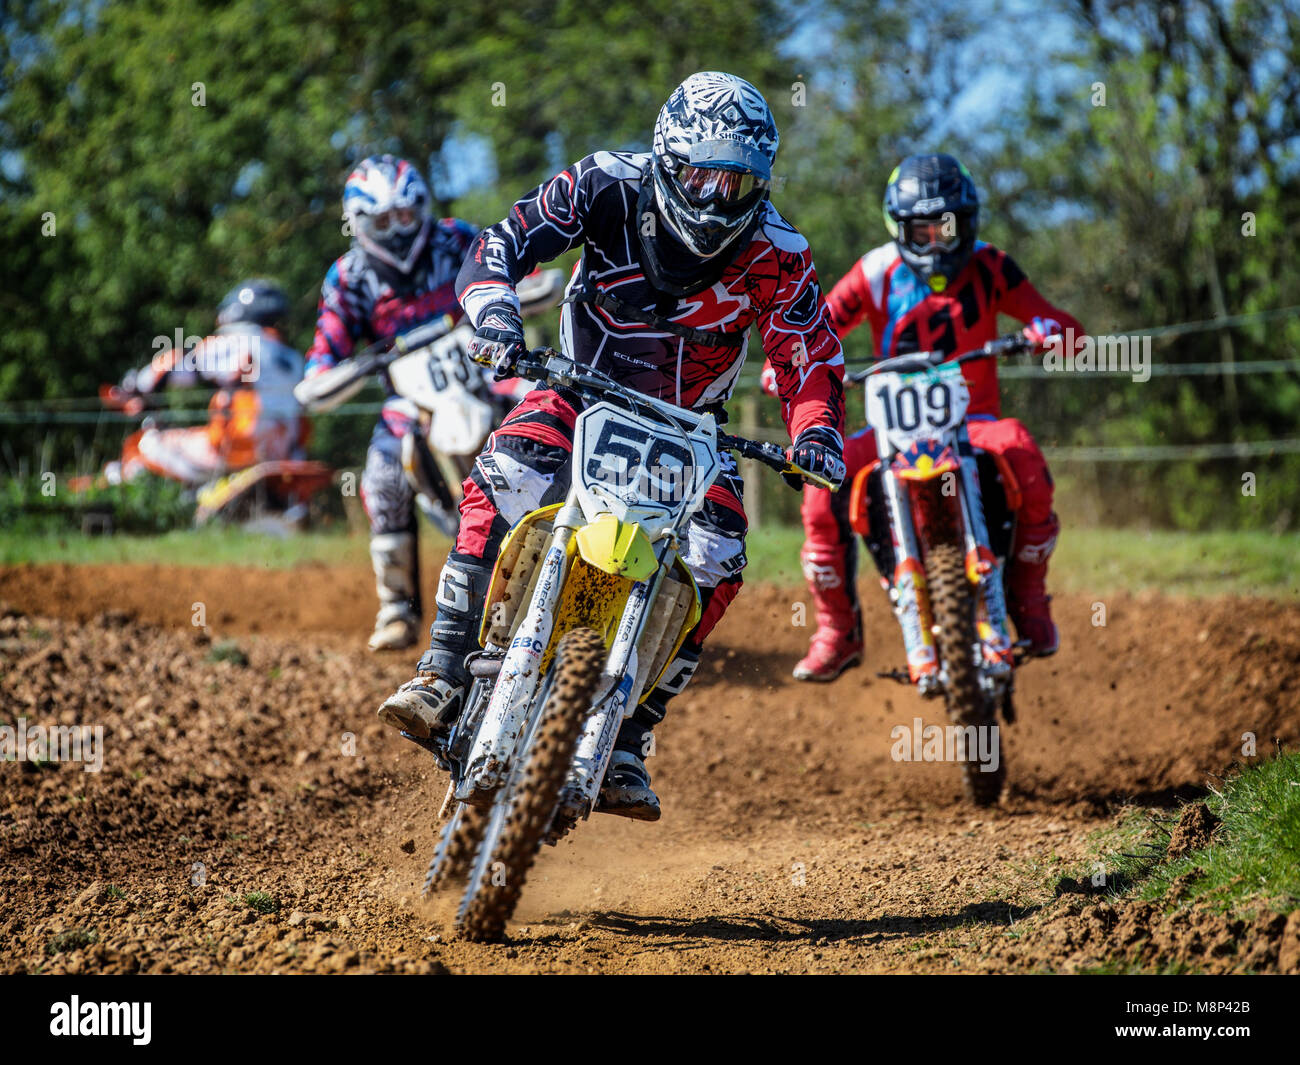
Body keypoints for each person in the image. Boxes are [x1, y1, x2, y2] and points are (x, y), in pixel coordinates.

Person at [377, 71, 847, 820]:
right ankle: (440, 668)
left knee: (720, 553)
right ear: (667, 156)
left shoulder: (777, 251)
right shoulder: (602, 185)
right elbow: (501, 243)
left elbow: (807, 354)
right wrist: (495, 315)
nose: (717, 199)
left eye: (738, 184)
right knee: (502, 478)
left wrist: (817, 433)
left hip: (691, 429)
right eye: (702, 175)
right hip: (575, 387)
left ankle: (630, 735)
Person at [765, 153, 1082, 681]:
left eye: (947, 226)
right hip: (892, 431)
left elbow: (1058, 321)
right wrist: (789, 364)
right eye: (921, 230)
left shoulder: (991, 265)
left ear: (968, 222)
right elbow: (816, 331)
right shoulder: (874, 271)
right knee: (820, 484)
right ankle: (836, 631)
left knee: (1023, 449)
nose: (935, 240)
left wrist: (1049, 332)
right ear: (898, 228)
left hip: (973, 424)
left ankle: (1028, 603)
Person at [304, 154, 479, 652]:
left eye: (404, 215)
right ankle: (397, 606)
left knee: (554, 421)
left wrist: (524, 292)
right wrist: (327, 375)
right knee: (382, 476)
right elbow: (325, 352)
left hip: (489, 372)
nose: (398, 229)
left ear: (421, 207)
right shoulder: (349, 277)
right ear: (360, 223)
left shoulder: (457, 240)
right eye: (383, 220)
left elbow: (509, 275)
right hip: (408, 398)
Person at [112, 279, 305, 485]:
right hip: (285, 453)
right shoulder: (294, 358)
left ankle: (157, 504)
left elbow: (179, 366)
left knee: (147, 444)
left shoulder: (237, 341)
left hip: (237, 449)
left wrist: (135, 386)